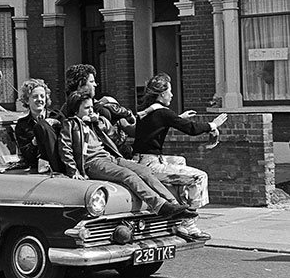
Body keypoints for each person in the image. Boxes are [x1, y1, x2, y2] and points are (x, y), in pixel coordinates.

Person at [58, 91, 198, 219]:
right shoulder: (70, 124)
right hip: (93, 162)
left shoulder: (94, 123)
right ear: (76, 110)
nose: (91, 111)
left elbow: (113, 134)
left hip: (110, 157)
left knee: (144, 171)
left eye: (91, 107)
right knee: (128, 176)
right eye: (86, 108)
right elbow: (65, 148)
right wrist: (73, 170)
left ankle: (173, 204)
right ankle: (160, 206)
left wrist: (98, 121)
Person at [132, 72, 228, 240]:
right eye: (169, 91)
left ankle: (178, 211)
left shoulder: (148, 111)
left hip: (139, 159)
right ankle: (188, 223)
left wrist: (177, 118)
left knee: (180, 162)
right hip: (150, 165)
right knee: (199, 177)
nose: (172, 94)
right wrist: (213, 124)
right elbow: (191, 129)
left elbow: (158, 124)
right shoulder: (163, 113)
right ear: (162, 94)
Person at [15, 79, 64, 173]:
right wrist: (35, 141)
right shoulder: (22, 125)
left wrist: (56, 124)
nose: (39, 99)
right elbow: (27, 155)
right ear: (27, 100)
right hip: (38, 172)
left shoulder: (57, 116)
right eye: (35, 96)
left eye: (42, 96)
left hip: (61, 168)